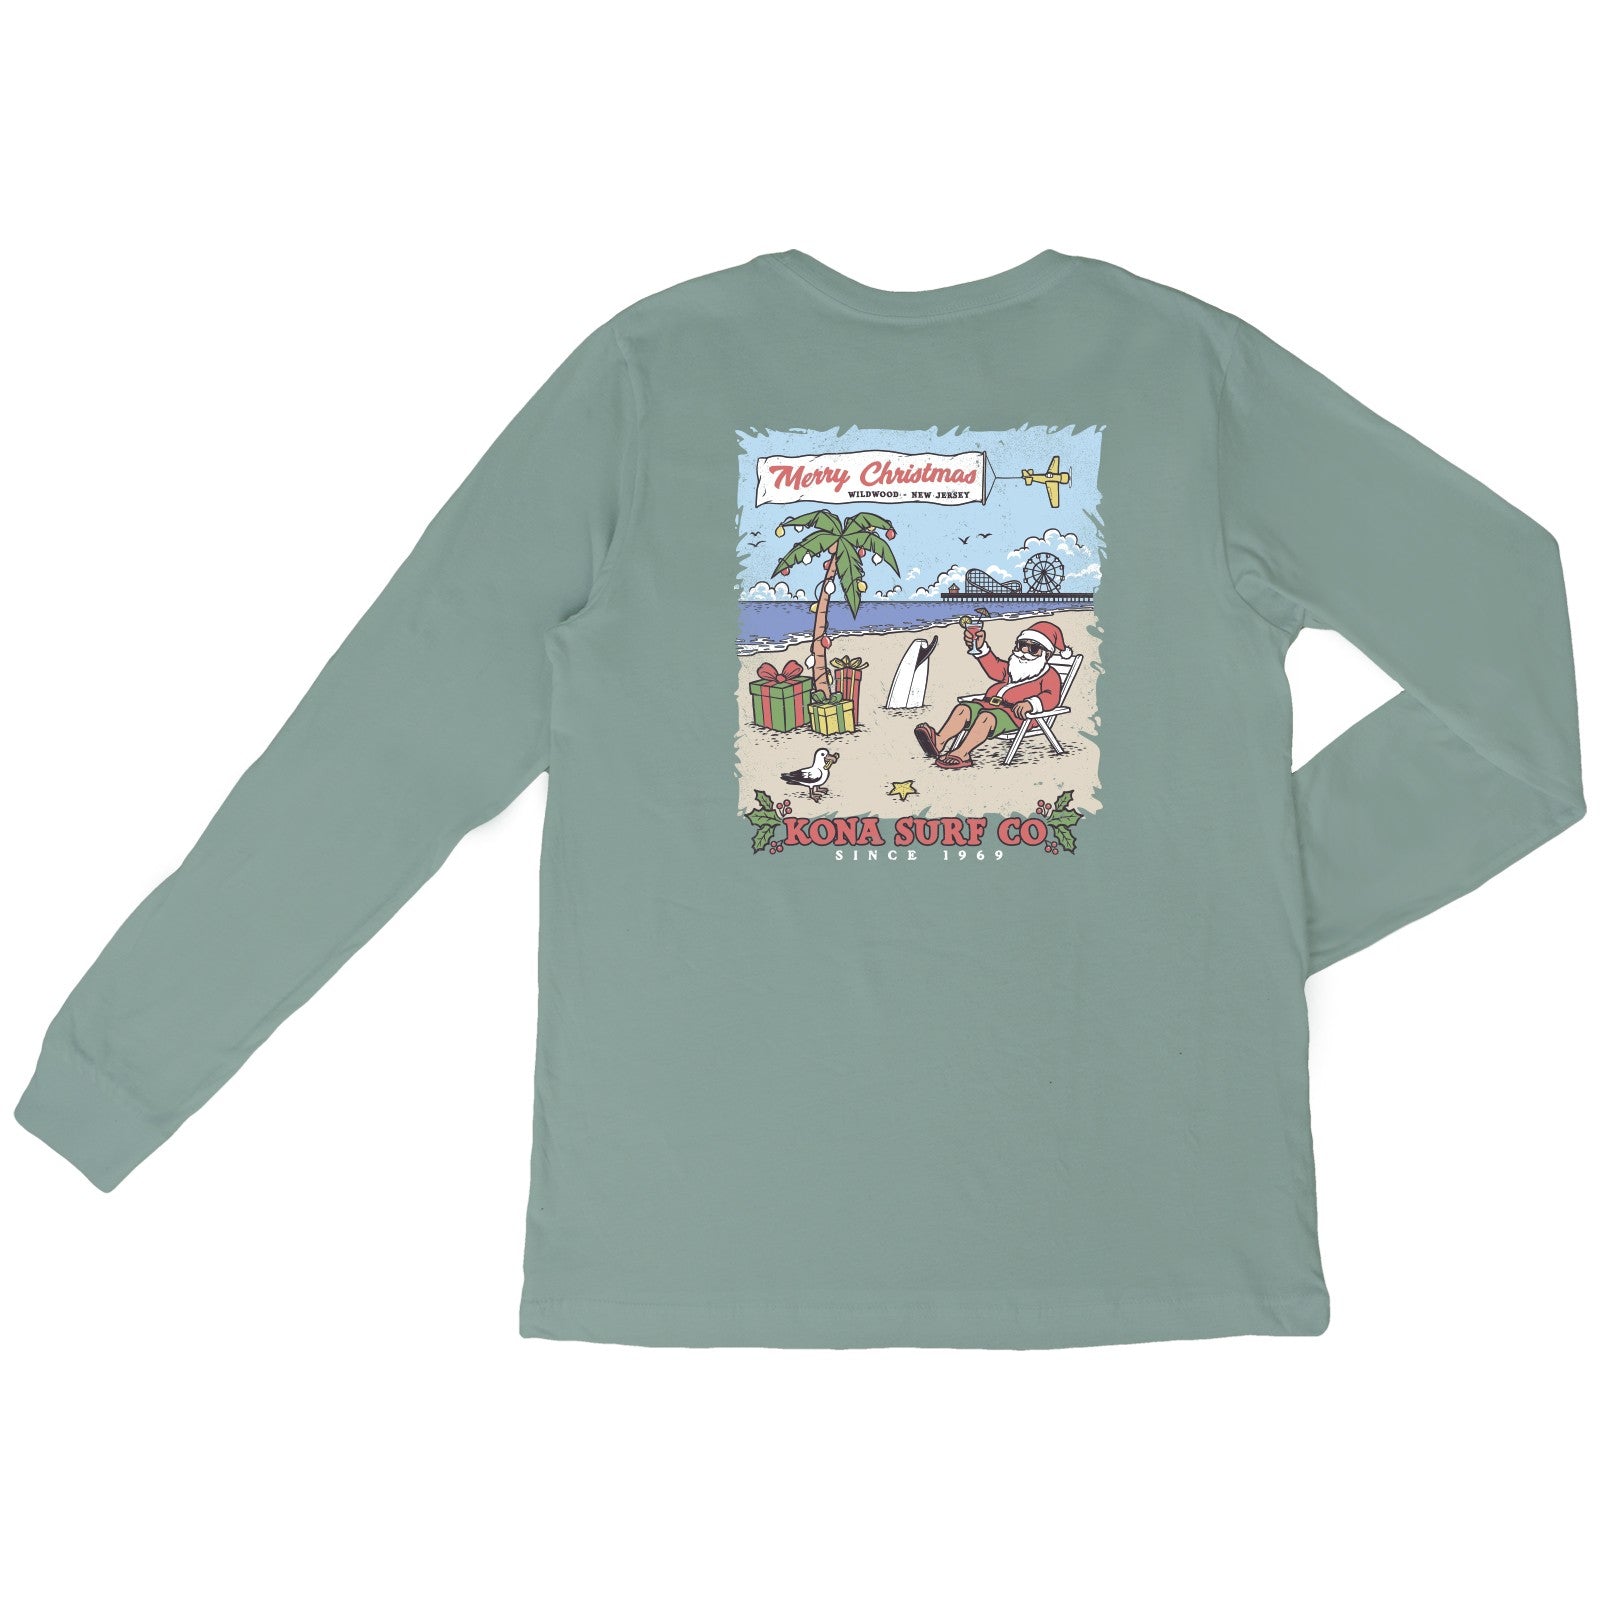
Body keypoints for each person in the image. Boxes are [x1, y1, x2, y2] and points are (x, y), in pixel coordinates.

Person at [914, 619, 1069, 769]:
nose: (1024, 652)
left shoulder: (1050, 676)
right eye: (1022, 645)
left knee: (986, 718)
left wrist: (1031, 704)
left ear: (1047, 654)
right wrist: (981, 647)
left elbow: (1051, 697)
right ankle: (939, 741)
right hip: (988, 705)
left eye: (1033, 649)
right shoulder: (1013, 668)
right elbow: (994, 667)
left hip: (1015, 716)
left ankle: (962, 753)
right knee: (963, 709)